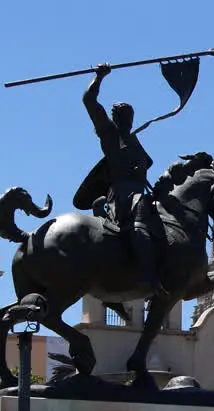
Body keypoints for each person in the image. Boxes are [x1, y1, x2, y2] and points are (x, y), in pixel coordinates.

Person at [80, 63, 166, 296]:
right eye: (124, 117)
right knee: (139, 211)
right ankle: (147, 275)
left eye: (130, 117)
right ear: (116, 118)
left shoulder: (133, 139)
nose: (128, 121)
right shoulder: (109, 132)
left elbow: (146, 162)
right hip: (122, 192)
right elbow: (89, 100)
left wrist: (141, 169)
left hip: (139, 190)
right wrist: (99, 77)